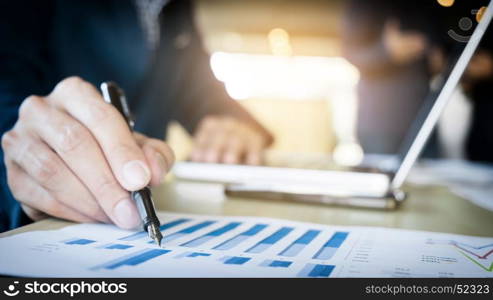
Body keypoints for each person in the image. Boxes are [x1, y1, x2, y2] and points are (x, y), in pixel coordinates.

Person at [0, 0, 273, 232]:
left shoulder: (175, 8)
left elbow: (203, 92)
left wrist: (234, 126)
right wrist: (31, 164)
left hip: (142, 206)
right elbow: (7, 95)